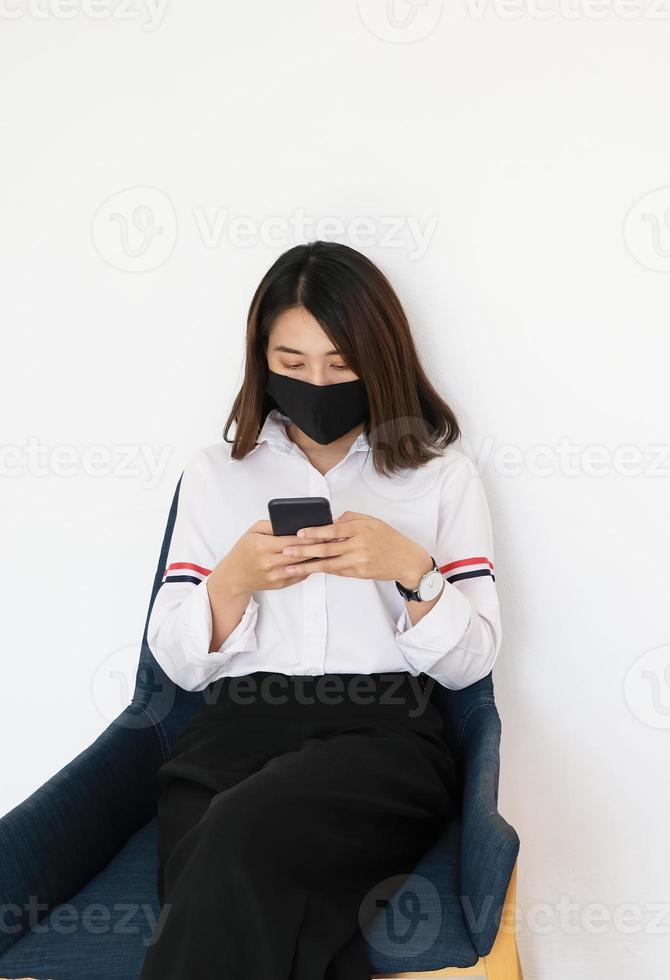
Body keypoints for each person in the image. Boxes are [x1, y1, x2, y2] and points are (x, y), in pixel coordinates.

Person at [141, 241, 502, 979]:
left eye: (340, 364)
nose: (316, 383)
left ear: (380, 356)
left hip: (383, 735)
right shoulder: (216, 474)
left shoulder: (442, 477)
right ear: (261, 359)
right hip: (231, 732)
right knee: (229, 864)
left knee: (238, 838)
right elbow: (174, 664)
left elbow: (473, 666)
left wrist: (413, 572)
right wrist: (232, 581)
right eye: (293, 363)